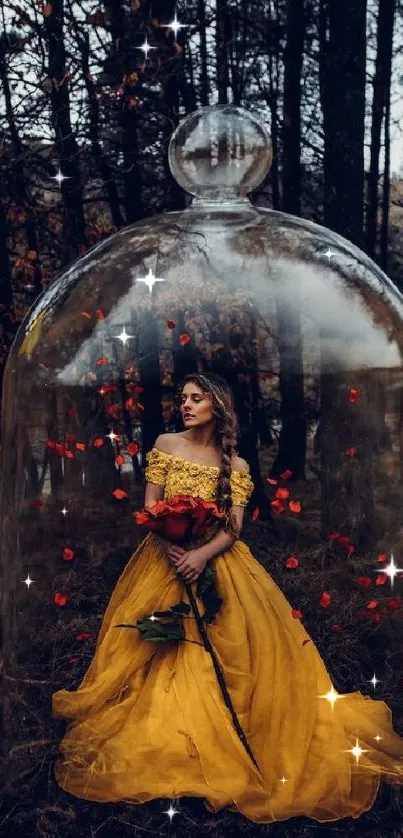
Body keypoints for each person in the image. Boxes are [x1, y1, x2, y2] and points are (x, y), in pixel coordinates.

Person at [52, 372, 403, 824]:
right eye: (183, 398)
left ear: (217, 406)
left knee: (235, 645)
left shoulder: (234, 465)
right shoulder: (165, 444)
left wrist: (200, 557)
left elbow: (234, 528)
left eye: (197, 399)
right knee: (159, 643)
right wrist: (173, 547)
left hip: (217, 562)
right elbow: (150, 507)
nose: (186, 405)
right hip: (164, 559)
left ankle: (236, 732)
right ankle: (175, 734)